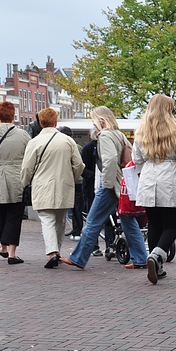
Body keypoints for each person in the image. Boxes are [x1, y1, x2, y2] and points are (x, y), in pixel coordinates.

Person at [59, 106, 147, 271]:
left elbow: (111, 159)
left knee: (93, 221)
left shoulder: (105, 135)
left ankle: (79, 258)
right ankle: (141, 258)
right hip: (123, 184)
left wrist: (105, 184)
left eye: (94, 120)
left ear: (100, 121)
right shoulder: (120, 135)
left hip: (110, 184)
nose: (93, 125)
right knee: (128, 221)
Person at [133, 94, 176, 284]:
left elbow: (137, 159)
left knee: (154, 224)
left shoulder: (140, 131)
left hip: (148, 178)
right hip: (169, 178)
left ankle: (156, 262)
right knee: (171, 225)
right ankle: (157, 257)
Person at [22, 108, 84, 268]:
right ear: (56, 122)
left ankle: (52, 253)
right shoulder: (67, 141)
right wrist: (72, 178)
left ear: (40, 123)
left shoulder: (34, 142)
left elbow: (27, 168)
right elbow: (79, 164)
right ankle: (56, 251)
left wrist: (24, 183)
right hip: (64, 185)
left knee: (47, 219)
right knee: (60, 219)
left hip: (42, 186)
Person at [0, 101, 31, 264]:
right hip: (16, 178)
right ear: (13, 116)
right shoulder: (22, 135)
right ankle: (11, 253)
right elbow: (30, 158)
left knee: (0, 213)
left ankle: (2, 247)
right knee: (14, 214)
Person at [58, 126, 84, 241]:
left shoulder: (65, 147)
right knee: (76, 206)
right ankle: (76, 229)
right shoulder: (77, 146)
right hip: (77, 180)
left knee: (73, 207)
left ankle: (77, 229)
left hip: (70, 180)